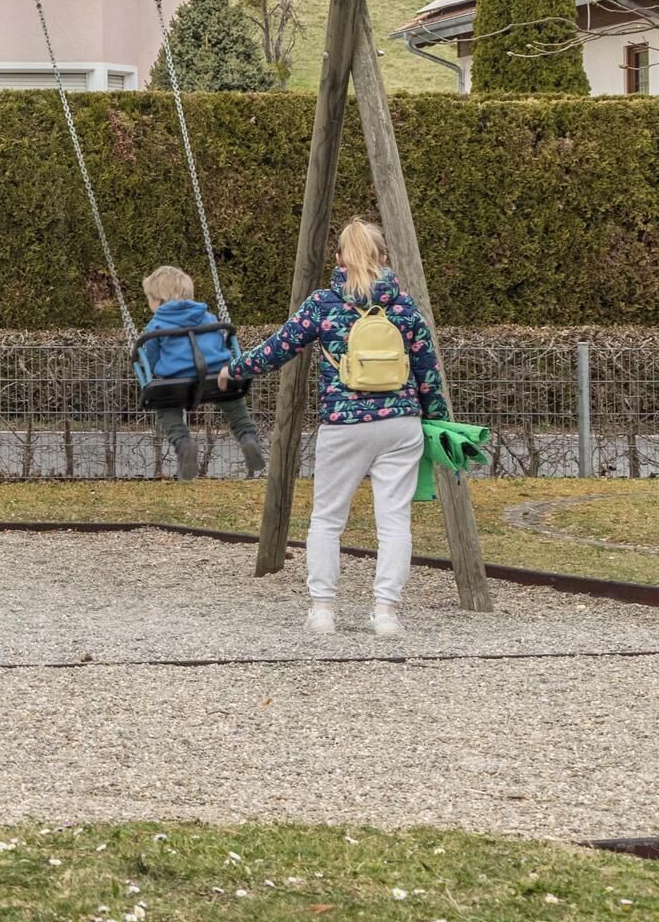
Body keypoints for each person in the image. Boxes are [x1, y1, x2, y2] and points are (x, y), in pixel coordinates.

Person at [218, 218, 448, 639]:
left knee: (327, 519)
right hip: (400, 423)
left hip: (344, 424)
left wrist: (234, 370)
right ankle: (386, 613)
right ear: (383, 258)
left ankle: (323, 610)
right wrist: (433, 419)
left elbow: (278, 347)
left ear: (339, 257)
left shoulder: (324, 304)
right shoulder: (405, 307)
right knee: (394, 521)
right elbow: (427, 370)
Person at [135, 267, 265, 480]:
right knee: (234, 403)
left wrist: (153, 367)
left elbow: (150, 358)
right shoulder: (207, 316)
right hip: (218, 376)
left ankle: (183, 443)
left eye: (149, 299)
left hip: (177, 381)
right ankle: (248, 437)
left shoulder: (156, 324)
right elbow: (219, 344)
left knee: (166, 410)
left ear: (158, 301)